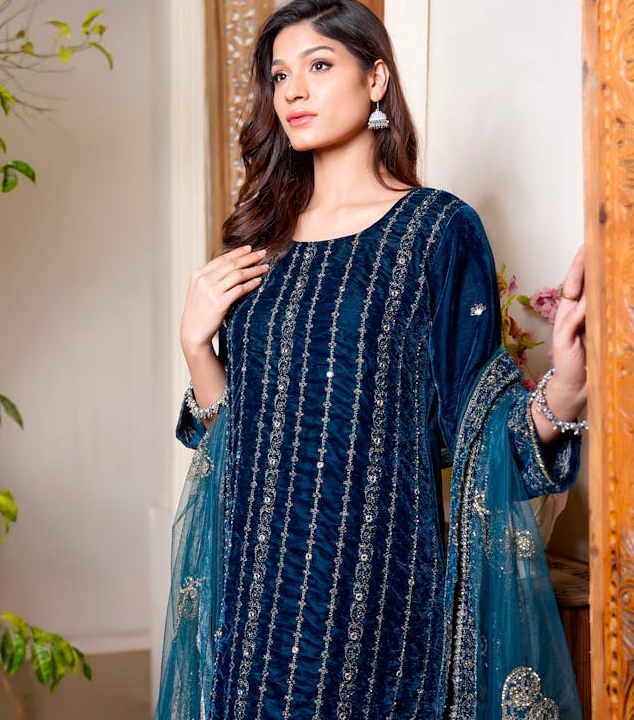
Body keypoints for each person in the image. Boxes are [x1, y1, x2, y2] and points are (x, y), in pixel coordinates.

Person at [157, 1, 588, 718]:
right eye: (279, 76)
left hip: (371, 593)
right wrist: (197, 346)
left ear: (377, 78)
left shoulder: (438, 231)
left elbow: (477, 429)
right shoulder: (260, 243)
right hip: (253, 591)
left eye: (319, 65)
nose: (293, 91)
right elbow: (235, 442)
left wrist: (566, 389)